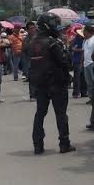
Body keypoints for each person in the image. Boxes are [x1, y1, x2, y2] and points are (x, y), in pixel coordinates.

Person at [28, 13, 76, 155]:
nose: (57, 27)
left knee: (40, 114)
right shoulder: (53, 43)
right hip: (56, 83)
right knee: (61, 114)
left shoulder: (32, 43)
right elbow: (66, 63)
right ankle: (64, 144)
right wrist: (67, 49)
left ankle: (38, 145)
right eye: (54, 24)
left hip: (40, 84)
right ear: (47, 26)